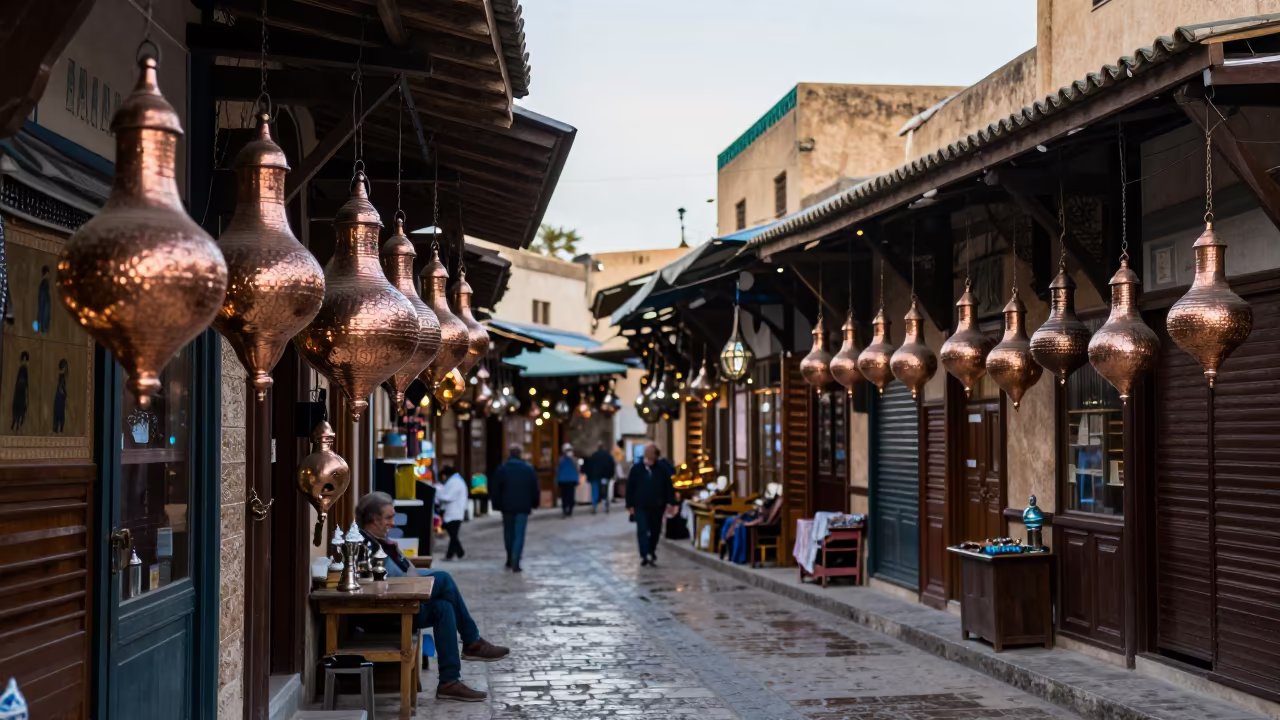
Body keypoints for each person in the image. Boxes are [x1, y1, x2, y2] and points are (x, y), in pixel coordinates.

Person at [356, 492, 508, 703]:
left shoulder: (381, 541)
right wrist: (410, 569)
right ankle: (472, 641)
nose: (393, 522)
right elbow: (393, 582)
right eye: (389, 517)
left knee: (444, 607)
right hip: (385, 614)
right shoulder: (366, 545)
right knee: (443, 579)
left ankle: (449, 681)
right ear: (374, 519)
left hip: (401, 605)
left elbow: (404, 575)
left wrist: (401, 557)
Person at [625, 442, 677, 567]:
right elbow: (630, 487)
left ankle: (651, 550)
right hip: (640, 505)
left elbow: (668, 487)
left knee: (655, 530)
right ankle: (644, 554)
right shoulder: (636, 469)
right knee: (642, 529)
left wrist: (671, 502)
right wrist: (630, 505)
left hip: (657, 505)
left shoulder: (662, 469)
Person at [491, 444, 539, 572]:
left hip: (507, 506)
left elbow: (496, 489)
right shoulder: (528, 469)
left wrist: (496, 504)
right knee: (519, 534)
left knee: (508, 533)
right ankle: (515, 561)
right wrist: (534, 503)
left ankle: (509, 558)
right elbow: (534, 488)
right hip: (522, 506)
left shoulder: (502, 469)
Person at [435, 465, 469, 560]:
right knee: (453, 535)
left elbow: (448, 497)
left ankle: (457, 553)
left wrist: (437, 493)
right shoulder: (456, 481)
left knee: (453, 535)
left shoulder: (455, 482)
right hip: (454, 512)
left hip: (454, 512)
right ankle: (456, 553)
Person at [586, 441, 616, 514]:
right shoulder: (608, 456)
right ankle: (606, 505)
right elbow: (612, 465)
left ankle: (594, 506)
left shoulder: (594, 455)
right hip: (605, 476)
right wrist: (611, 475)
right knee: (605, 491)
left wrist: (589, 476)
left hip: (595, 476)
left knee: (595, 491)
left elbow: (589, 466)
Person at [556, 443, 579, 517]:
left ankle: (568, 509)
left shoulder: (571, 459)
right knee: (567, 495)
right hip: (567, 479)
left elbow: (577, 466)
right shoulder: (562, 459)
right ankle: (567, 509)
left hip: (566, 479)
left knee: (567, 495)